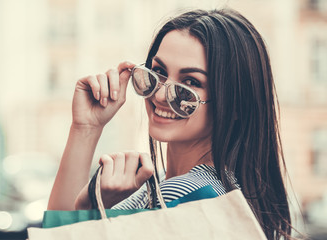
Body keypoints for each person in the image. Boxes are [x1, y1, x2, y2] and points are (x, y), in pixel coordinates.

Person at [47, 8, 293, 240]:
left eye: (191, 83)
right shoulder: (176, 185)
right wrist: (86, 127)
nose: (161, 95)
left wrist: (90, 206)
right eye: (158, 72)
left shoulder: (186, 194)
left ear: (236, 104)